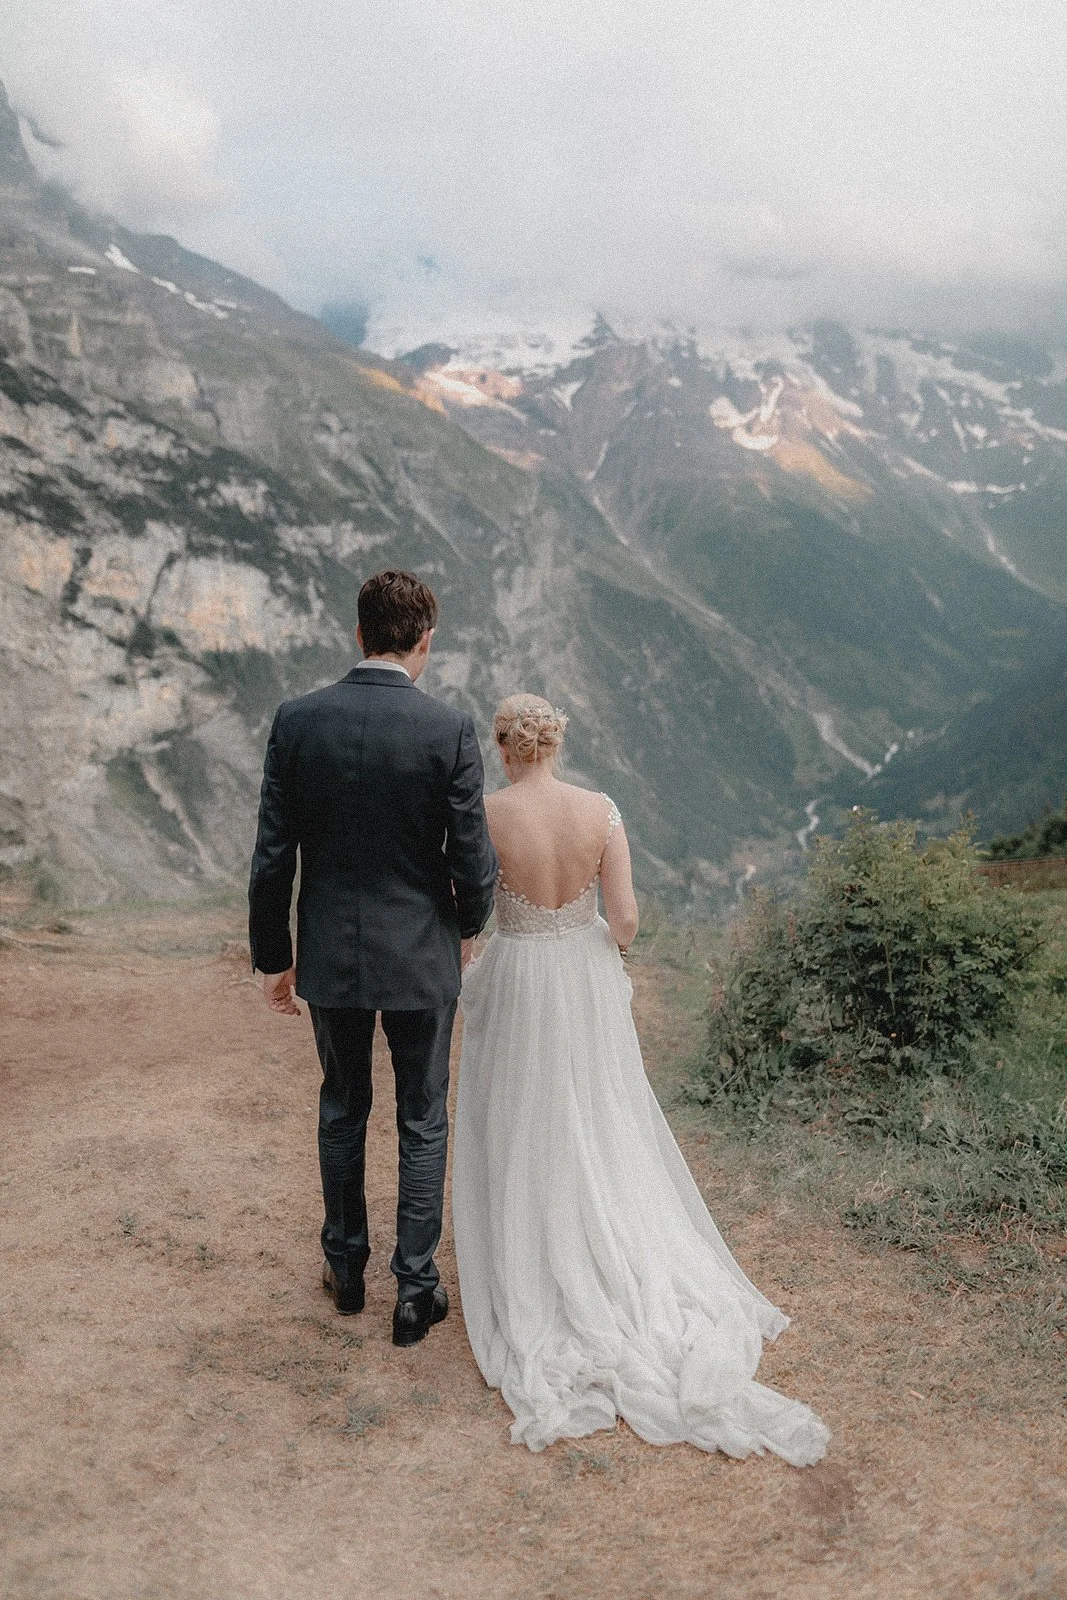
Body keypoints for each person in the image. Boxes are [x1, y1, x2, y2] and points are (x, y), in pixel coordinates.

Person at [452, 695, 829, 1465]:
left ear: (502, 745)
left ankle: (536, 1239)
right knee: (597, 1110)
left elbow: (465, 914)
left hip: (518, 971)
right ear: (556, 743)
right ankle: (604, 1236)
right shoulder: (601, 811)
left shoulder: (485, 813)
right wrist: (591, 935)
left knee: (520, 1114)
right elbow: (623, 922)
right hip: (583, 975)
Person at [248, 571, 497, 1347]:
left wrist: (273, 955)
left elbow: (272, 856)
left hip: (332, 950)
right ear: (424, 641)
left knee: (341, 1104)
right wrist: (469, 925)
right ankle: (415, 1290)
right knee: (422, 1116)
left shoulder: (297, 721)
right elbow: (472, 857)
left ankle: (346, 1269)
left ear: (357, 635)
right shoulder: (448, 730)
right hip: (422, 952)